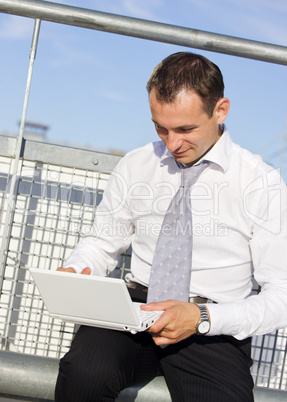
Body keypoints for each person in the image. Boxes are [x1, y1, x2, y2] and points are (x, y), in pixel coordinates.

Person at [55, 52, 287, 402]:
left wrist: (202, 318)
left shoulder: (262, 184)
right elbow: (101, 243)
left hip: (212, 324)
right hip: (134, 308)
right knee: (83, 374)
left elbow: (281, 297)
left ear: (220, 110)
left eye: (185, 129)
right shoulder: (136, 164)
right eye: (160, 127)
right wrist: (78, 268)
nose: (172, 143)